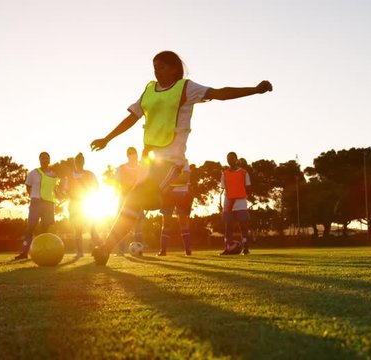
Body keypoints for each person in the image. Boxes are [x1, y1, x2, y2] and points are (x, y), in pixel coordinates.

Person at [90, 50, 273, 265]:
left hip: (169, 160)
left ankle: (109, 244)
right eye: (154, 67)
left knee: (138, 198)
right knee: (131, 202)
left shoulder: (186, 88)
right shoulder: (149, 90)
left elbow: (220, 93)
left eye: (162, 67)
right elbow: (132, 117)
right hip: (149, 161)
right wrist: (107, 138)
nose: (157, 71)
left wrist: (255, 90)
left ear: (175, 68)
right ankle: (106, 248)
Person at [14, 152, 59, 260]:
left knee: (46, 229)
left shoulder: (53, 174)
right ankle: (24, 253)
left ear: (49, 160)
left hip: (49, 204)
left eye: (47, 158)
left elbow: (55, 189)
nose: (45, 160)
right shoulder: (33, 173)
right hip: (36, 202)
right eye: (43, 158)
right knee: (30, 228)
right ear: (39, 160)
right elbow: (28, 187)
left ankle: (44, 253)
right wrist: (34, 196)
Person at [64, 153, 100, 258]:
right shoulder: (69, 176)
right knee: (77, 229)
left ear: (83, 162)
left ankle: (98, 249)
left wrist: (91, 193)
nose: (79, 162)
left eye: (81, 160)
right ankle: (80, 252)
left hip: (86, 204)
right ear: (75, 162)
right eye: (77, 161)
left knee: (92, 228)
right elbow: (66, 191)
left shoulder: (90, 174)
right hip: (74, 205)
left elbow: (97, 187)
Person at [114, 147, 145, 255]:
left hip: (138, 200)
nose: (133, 156)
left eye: (134, 153)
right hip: (124, 199)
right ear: (128, 156)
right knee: (122, 224)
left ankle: (139, 249)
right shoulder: (121, 168)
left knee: (138, 225)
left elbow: (143, 184)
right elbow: (118, 182)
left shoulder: (141, 168)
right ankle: (121, 249)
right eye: (131, 154)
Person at [220, 152, 252, 255]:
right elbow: (224, 188)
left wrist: (238, 195)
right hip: (228, 203)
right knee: (228, 227)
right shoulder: (224, 173)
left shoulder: (244, 172)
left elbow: (248, 187)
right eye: (228, 158)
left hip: (240, 203)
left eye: (232, 158)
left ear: (236, 159)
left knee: (243, 227)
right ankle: (227, 248)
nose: (230, 160)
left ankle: (246, 249)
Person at [158, 160, 192, 256]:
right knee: (166, 223)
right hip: (168, 195)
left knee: (183, 222)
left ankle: (188, 250)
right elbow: (161, 178)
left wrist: (169, 183)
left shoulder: (184, 161)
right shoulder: (166, 161)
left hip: (182, 194)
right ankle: (163, 250)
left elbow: (185, 179)